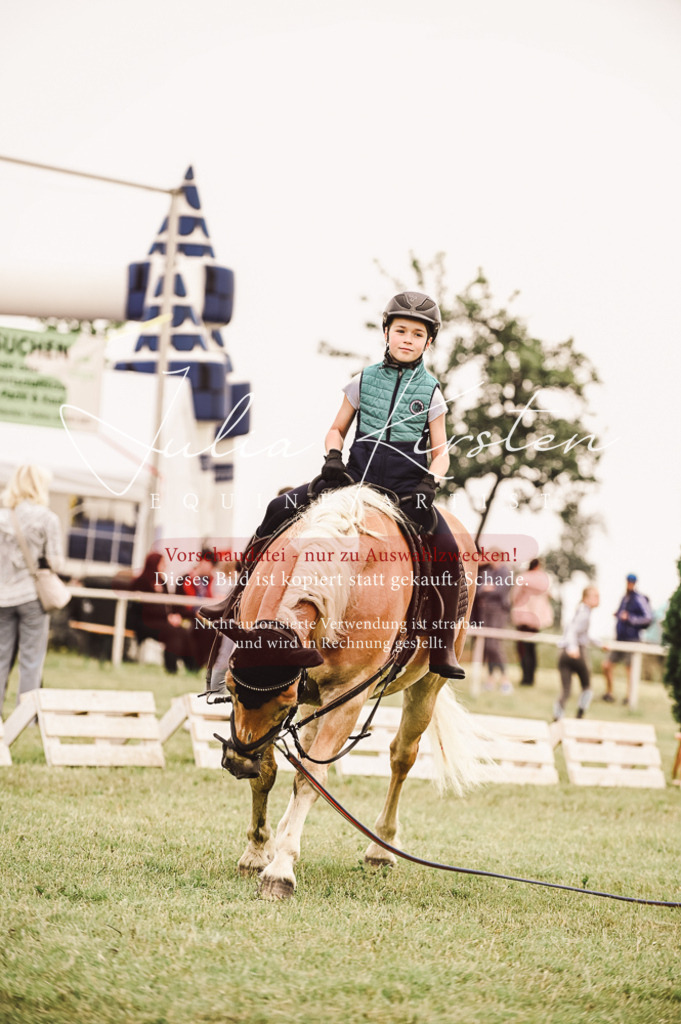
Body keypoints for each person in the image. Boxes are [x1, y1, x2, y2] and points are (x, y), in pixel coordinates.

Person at [218, 292, 465, 678]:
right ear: (386, 332)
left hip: (405, 491)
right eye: (400, 330)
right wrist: (333, 458)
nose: (407, 339)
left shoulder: (432, 392)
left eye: (417, 335)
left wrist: (430, 482)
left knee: (448, 549)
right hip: (352, 479)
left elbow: (442, 451)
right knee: (277, 509)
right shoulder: (363, 380)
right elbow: (336, 429)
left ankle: (442, 645)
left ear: (428, 342)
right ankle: (233, 600)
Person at [0, 465, 64, 712]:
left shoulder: (2, 517)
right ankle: (24, 716)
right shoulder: (47, 518)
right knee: (31, 660)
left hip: (2, 597)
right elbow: (56, 561)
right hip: (31, 597)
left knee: (1, 658)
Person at [554, 585, 606, 720]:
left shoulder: (580, 611)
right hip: (576, 652)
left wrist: (600, 644)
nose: (598, 599)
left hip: (563, 652)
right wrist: (573, 647)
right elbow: (573, 631)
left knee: (566, 690)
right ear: (585, 599)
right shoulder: (584, 613)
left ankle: (557, 717)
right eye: (594, 596)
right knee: (587, 687)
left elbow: (584, 634)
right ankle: (579, 716)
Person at [601, 573, 653, 704]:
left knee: (630, 669)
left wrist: (630, 618)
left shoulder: (639, 598)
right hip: (619, 638)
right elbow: (621, 614)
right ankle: (609, 693)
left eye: (632, 582)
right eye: (628, 581)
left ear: (635, 583)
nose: (629, 584)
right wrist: (618, 614)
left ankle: (629, 697)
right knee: (606, 665)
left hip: (632, 640)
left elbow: (647, 618)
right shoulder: (624, 598)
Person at [472, 558, 514, 693]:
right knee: (487, 645)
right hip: (485, 611)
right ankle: (490, 678)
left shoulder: (505, 572)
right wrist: (487, 588)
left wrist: (487, 589)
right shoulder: (487, 572)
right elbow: (478, 590)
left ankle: (505, 679)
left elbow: (501, 591)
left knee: (494, 645)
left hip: (498, 612)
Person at [510, 557, 554, 686]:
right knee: (532, 649)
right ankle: (531, 677)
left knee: (522, 649)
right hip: (537, 619)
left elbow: (514, 596)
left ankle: (525, 677)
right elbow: (550, 595)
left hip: (523, 617)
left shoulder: (523, 578)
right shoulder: (544, 579)